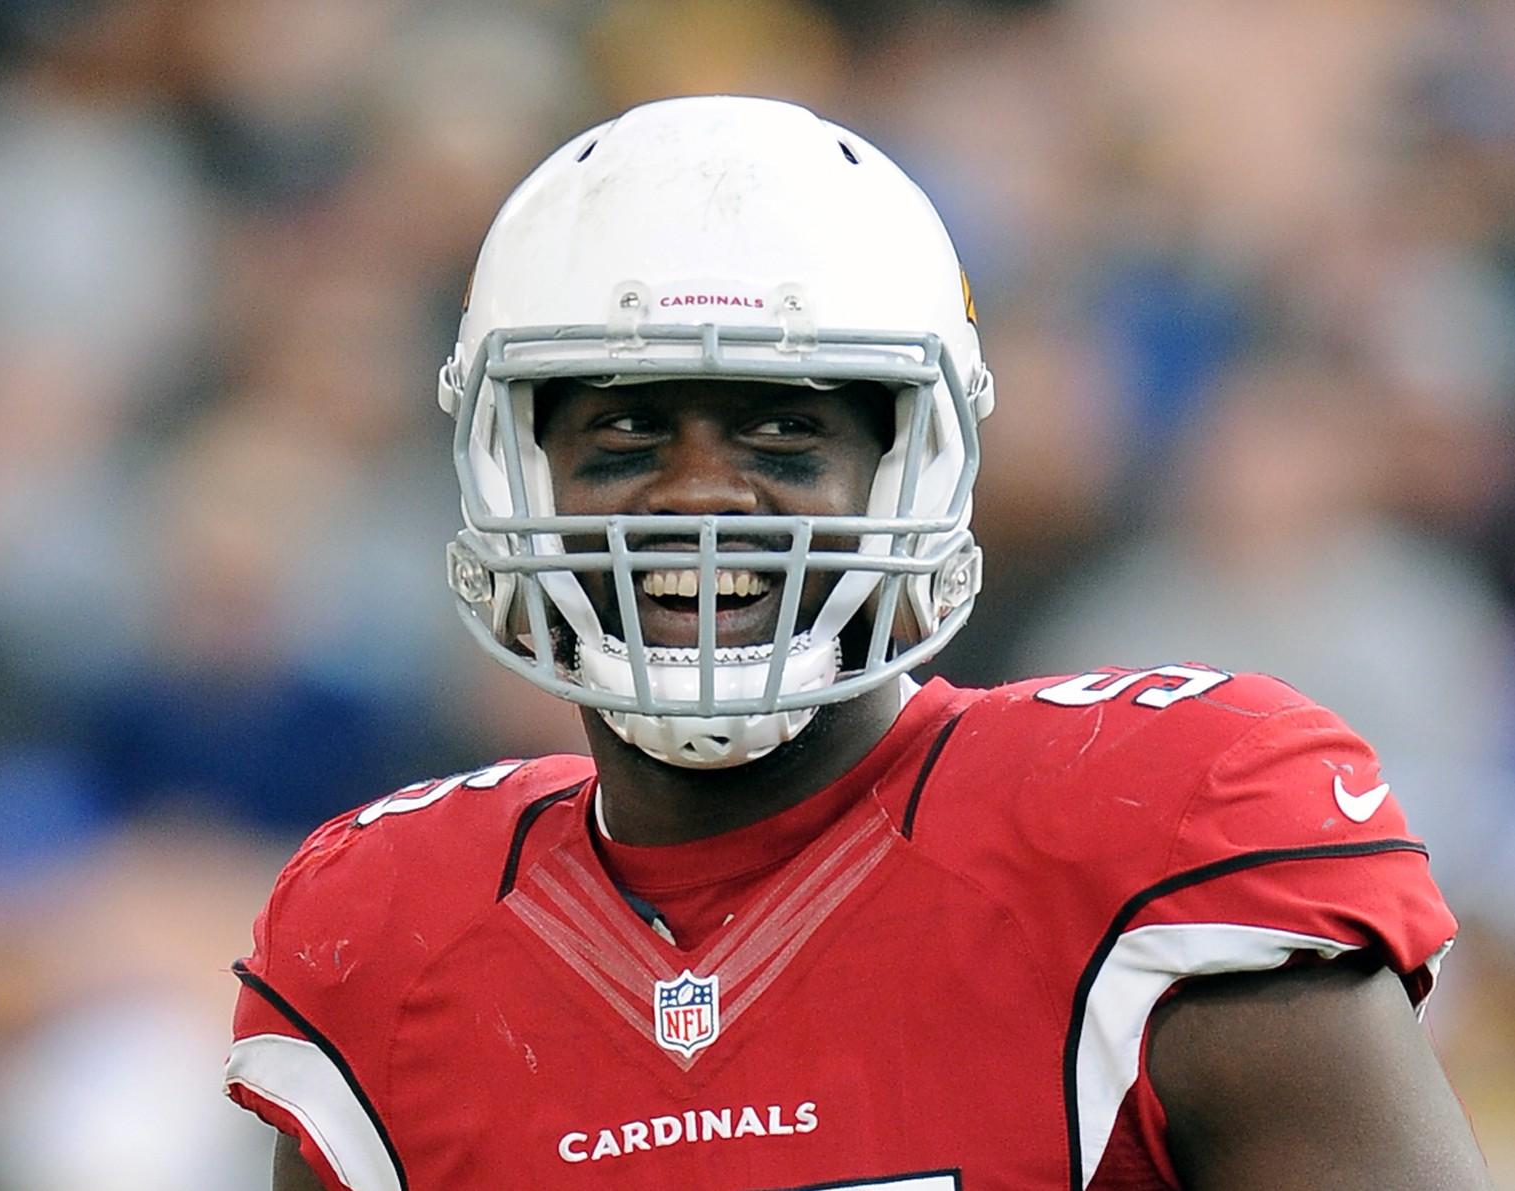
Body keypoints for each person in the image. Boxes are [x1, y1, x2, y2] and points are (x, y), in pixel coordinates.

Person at [222, 95, 1493, 1190]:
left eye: (785, 432)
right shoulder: (383, 940)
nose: (700, 495)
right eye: (624, 432)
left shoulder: (1154, 830)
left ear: (914, 471)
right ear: (512, 471)